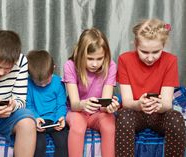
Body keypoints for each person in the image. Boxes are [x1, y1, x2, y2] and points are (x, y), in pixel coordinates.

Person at [116, 18, 186, 157]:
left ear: (163, 45)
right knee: (123, 116)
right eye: (144, 52)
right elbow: (127, 102)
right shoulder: (124, 59)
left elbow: (166, 104)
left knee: (176, 119)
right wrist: (139, 104)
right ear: (135, 44)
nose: (150, 58)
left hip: (159, 114)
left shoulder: (170, 60)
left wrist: (157, 106)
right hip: (135, 112)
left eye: (155, 52)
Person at [63, 28, 120, 157]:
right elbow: (74, 104)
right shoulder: (70, 65)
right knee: (78, 127)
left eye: (99, 58)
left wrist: (110, 107)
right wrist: (83, 105)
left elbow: (105, 105)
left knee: (109, 125)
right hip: (77, 111)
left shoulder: (111, 66)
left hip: (99, 113)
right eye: (90, 59)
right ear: (80, 54)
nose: (95, 64)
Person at [26, 50, 68, 157]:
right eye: (38, 83)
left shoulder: (58, 82)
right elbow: (28, 105)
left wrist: (61, 117)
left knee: (63, 143)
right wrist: (35, 118)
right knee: (39, 145)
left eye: (46, 81)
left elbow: (61, 105)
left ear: (53, 68)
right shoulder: (28, 83)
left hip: (55, 120)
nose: (43, 85)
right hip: (37, 120)